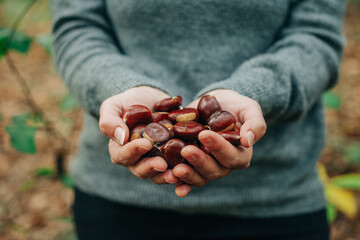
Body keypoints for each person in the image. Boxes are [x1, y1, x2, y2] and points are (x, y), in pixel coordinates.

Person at [50, 0, 347, 239]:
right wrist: (121, 89)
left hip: (277, 200)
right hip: (116, 203)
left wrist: (254, 93)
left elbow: (316, 36)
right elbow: (78, 28)